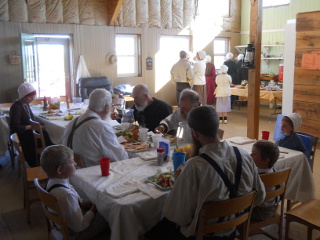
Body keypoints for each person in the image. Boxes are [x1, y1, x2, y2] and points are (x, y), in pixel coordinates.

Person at [145, 106, 265, 240]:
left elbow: (177, 216)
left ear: (194, 133)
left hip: (203, 235)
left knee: (149, 231)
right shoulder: (243, 155)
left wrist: (178, 182)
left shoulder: (194, 166)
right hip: (232, 231)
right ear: (217, 128)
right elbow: (260, 195)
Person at [40, 145, 107, 239]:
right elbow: (80, 226)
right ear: (60, 170)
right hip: (75, 234)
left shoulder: (51, 181)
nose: (75, 164)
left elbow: (70, 204)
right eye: (72, 162)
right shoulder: (65, 194)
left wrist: (83, 203)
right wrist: (93, 209)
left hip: (63, 226)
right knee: (107, 212)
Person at [62, 89, 128, 167]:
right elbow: (121, 158)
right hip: (90, 173)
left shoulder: (73, 122)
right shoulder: (101, 127)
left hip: (71, 171)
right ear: (107, 108)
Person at [10, 83, 52, 167]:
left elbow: (30, 119)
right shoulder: (16, 107)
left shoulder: (25, 104)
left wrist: (38, 124)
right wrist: (31, 126)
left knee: (46, 134)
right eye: (30, 97)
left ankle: (48, 159)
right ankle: (44, 162)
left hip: (28, 132)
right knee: (46, 137)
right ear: (23, 96)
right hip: (23, 136)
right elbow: (14, 127)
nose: (32, 99)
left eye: (33, 97)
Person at [250, 140, 280, 221]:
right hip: (272, 207)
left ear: (266, 160)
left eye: (254, 154)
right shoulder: (272, 170)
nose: (250, 155)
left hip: (260, 212)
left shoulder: (260, 177)